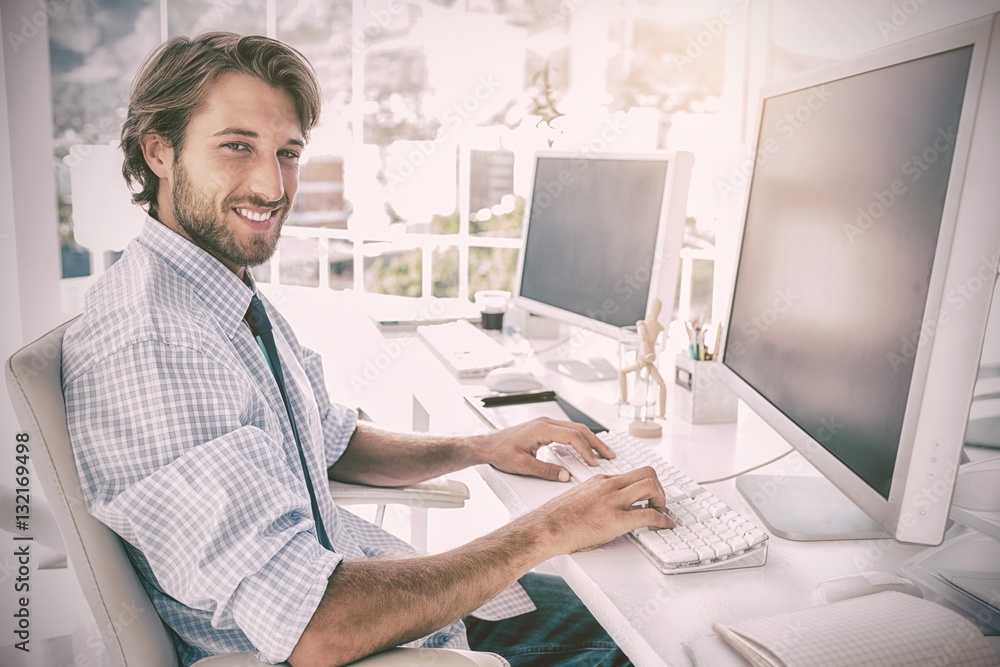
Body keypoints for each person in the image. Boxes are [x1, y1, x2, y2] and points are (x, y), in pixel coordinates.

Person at [61, 32, 672, 667]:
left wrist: (479, 448)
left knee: (636, 609)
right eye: (237, 147)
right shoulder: (158, 345)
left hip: (386, 607)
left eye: (288, 153)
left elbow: (328, 441)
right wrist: (548, 529)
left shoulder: (215, 290)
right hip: (358, 640)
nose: (273, 186)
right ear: (159, 151)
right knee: (654, 639)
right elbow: (315, 626)